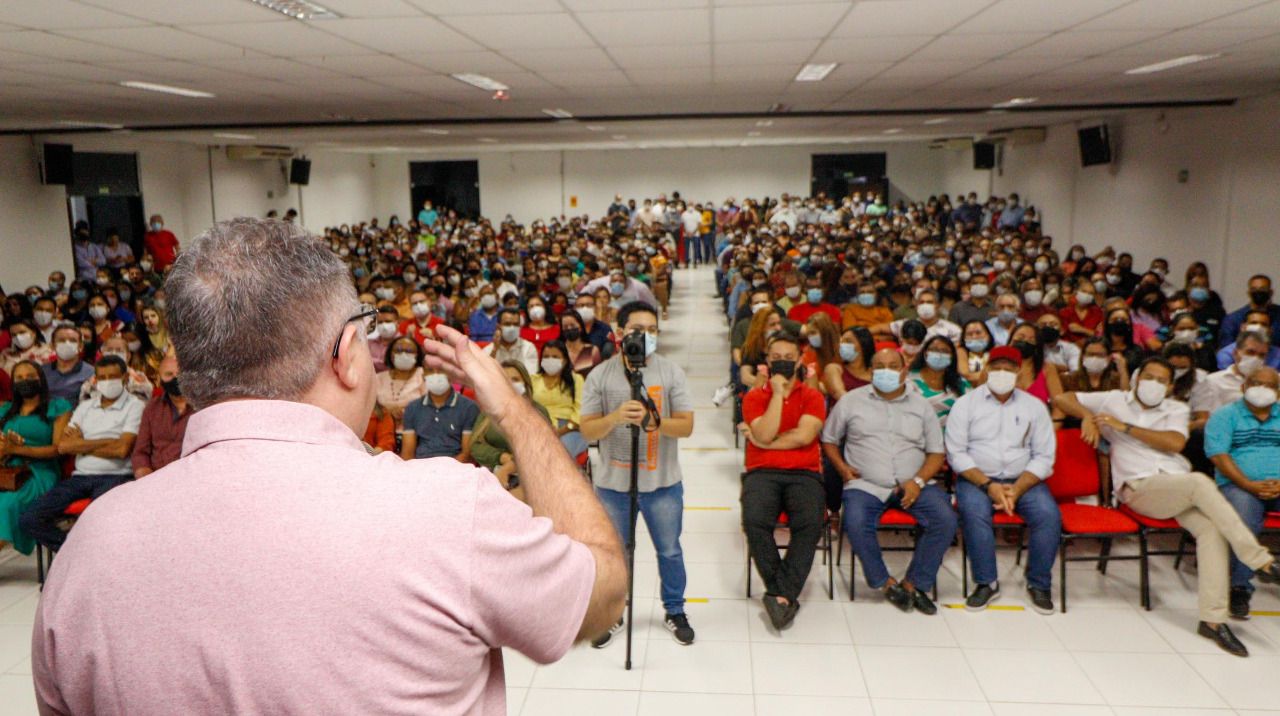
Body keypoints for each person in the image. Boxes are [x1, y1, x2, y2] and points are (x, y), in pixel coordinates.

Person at [32, 218, 627, 714]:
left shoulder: (93, 543)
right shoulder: (446, 510)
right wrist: (517, 414)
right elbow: (600, 594)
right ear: (345, 355)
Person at [1054, 357, 1280, 657]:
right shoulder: (1114, 399)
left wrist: (1125, 427)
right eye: (1149, 377)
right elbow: (1061, 397)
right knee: (1200, 482)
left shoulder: (1177, 408)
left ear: (1171, 386)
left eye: (1162, 380)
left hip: (1177, 486)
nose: (1154, 384)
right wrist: (1085, 415)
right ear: (1136, 377)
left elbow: (1173, 444)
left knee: (1211, 530)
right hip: (1140, 488)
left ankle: (1213, 620)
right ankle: (1258, 559)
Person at [580, 300, 696, 647]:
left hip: (661, 484)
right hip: (614, 486)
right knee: (617, 555)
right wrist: (615, 417)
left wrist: (652, 422)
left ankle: (674, 609)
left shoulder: (671, 372)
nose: (644, 336)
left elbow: (687, 426)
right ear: (619, 333)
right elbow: (587, 431)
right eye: (637, 330)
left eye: (652, 330)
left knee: (669, 550)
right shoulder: (599, 375)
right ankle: (614, 614)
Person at [823, 346, 954, 615]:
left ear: (905, 370)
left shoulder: (921, 406)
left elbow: (936, 451)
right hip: (866, 484)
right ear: (870, 372)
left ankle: (913, 584)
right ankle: (885, 582)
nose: (887, 372)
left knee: (946, 519)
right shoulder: (851, 401)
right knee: (856, 521)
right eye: (880, 367)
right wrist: (843, 468)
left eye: (893, 366)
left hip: (914, 483)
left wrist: (917, 481)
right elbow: (829, 439)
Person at [947, 346, 1060, 614]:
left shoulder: (1034, 406)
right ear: (986, 368)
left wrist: (1016, 489)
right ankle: (986, 582)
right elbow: (956, 453)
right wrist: (989, 486)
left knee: (1048, 515)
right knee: (974, 513)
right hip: (976, 479)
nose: (1001, 373)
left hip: (1024, 480)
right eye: (996, 367)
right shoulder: (966, 404)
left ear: (1018, 372)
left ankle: (1039, 584)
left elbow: (1044, 456)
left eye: (1008, 369)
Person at [740, 332, 827, 628]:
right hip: (762, 472)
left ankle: (779, 592)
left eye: (789, 358)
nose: (783, 363)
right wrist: (777, 394)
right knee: (754, 521)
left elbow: (803, 436)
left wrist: (763, 442)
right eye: (776, 358)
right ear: (767, 361)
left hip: (804, 473)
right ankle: (784, 593)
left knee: (810, 522)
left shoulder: (813, 397)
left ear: (800, 361)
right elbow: (765, 432)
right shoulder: (754, 397)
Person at [21, 355, 143, 550]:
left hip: (117, 477)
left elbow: (122, 450)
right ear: (95, 380)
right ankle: (76, 553)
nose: (107, 382)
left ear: (125, 379)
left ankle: (90, 556)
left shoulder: (135, 406)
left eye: (113, 376)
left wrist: (81, 443)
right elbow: (64, 446)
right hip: (80, 478)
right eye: (102, 377)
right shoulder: (86, 406)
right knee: (30, 518)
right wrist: (108, 442)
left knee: (98, 524)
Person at [1205, 366, 1280, 620]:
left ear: (1278, 392)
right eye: (1256, 383)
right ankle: (1240, 587)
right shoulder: (1225, 415)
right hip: (1238, 485)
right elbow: (1219, 455)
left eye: (1269, 385)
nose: (1262, 389)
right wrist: (1249, 484)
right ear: (1243, 386)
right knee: (1244, 518)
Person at [0, 361, 72, 556]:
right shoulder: (5, 410)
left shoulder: (58, 406)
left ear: (41, 378)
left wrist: (18, 448)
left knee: (7, 504)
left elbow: (58, 449)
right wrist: (5, 449)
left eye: (30, 376)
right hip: (7, 470)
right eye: (20, 378)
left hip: (40, 471)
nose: (26, 381)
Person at [131, 356, 193, 477]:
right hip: (156, 477)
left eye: (180, 373)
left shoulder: (203, 406)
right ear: (160, 379)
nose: (176, 378)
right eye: (169, 374)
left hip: (191, 477)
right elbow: (140, 452)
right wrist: (146, 479)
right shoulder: (152, 408)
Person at [400, 366, 479, 461]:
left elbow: (467, 454)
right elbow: (407, 454)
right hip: (421, 467)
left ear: (452, 374)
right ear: (423, 375)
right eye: (430, 370)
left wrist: (444, 471)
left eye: (442, 370)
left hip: (455, 467)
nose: (436, 375)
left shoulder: (469, 407)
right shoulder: (412, 408)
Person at [531, 340, 589, 460]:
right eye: (546, 357)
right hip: (538, 426)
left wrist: (561, 431)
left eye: (555, 357)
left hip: (570, 428)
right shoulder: (533, 380)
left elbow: (580, 411)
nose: (550, 359)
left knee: (558, 453)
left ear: (565, 361)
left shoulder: (576, 379)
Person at [1201, 331, 1270, 413]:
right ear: (1235, 353)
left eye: (1261, 355)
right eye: (1250, 352)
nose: (1256, 358)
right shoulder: (1213, 381)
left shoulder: (1276, 381)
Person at [909, 335, 970, 427]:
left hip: (950, 436)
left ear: (952, 357)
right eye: (934, 350)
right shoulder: (909, 379)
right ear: (925, 353)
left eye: (945, 351)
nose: (939, 354)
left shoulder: (961, 384)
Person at [376, 336, 427, 434]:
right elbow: (372, 407)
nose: (403, 354)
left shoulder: (423, 375)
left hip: (416, 433)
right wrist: (387, 413)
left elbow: (432, 406)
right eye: (398, 350)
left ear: (417, 355)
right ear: (390, 354)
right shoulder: (378, 378)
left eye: (409, 351)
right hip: (382, 433)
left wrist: (406, 414)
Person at [1221, 274, 1280, 349]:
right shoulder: (1232, 320)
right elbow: (1226, 350)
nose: (1258, 292)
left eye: (1263, 289)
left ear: (1270, 292)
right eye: (1254, 289)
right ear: (1249, 293)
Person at [41, 326, 95, 406]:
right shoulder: (42, 371)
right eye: (61, 340)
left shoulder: (91, 372)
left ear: (81, 346)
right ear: (52, 345)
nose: (67, 344)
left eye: (73, 340)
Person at [822, 326, 873, 401]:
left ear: (864, 345)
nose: (842, 345)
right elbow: (840, 394)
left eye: (848, 341)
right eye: (841, 342)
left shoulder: (876, 372)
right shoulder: (834, 368)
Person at [483, 307, 539, 376]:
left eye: (516, 324)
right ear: (498, 327)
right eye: (507, 324)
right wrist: (494, 350)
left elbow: (531, 376)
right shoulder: (488, 350)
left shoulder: (529, 348)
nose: (512, 328)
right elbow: (484, 375)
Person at [1216, 311, 1280, 370]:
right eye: (1253, 323)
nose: (1259, 326)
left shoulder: (1278, 354)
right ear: (1243, 327)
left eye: (1264, 324)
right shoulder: (1226, 354)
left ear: (1270, 330)